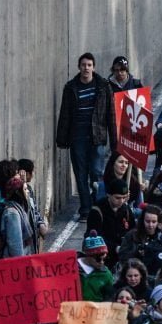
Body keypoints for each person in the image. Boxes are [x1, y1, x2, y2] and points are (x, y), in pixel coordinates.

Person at [55, 53, 112, 220]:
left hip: (97, 136)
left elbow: (110, 114)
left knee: (96, 172)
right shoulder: (70, 87)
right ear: (79, 67)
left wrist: (114, 141)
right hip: (77, 136)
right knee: (80, 174)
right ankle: (86, 209)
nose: (86, 68)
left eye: (89, 65)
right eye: (83, 65)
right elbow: (64, 114)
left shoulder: (103, 86)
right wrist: (62, 139)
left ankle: (98, 206)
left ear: (93, 67)